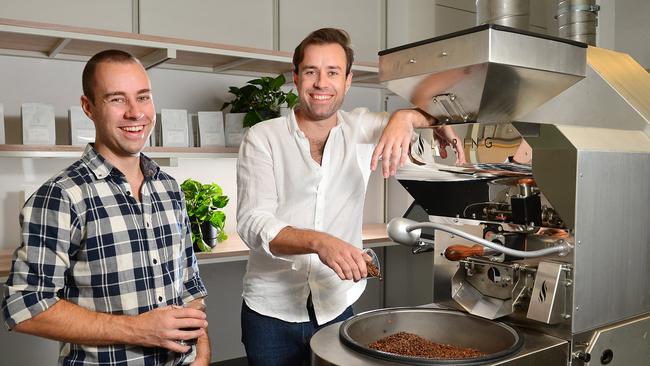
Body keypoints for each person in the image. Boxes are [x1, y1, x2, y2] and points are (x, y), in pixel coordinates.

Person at [236, 28, 465, 365]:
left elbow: (440, 112)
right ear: (296, 77)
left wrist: (405, 117)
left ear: (348, 81)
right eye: (311, 71)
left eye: (333, 72)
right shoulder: (262, 138)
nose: (321, 83)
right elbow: (253, 222)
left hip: (336, 304)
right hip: (270, 313)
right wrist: (320, 242)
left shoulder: (363, 128)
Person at [2, 50, 210, 366]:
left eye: (143, 97)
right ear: (88, 108)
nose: (135, 112)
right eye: (117, 100)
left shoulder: (169, 189)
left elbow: (190, 288)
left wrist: (202, 355)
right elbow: (25, 306)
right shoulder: (61, 196)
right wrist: (139, 330)